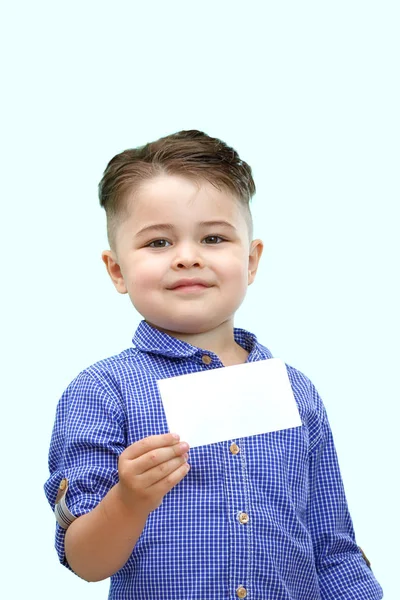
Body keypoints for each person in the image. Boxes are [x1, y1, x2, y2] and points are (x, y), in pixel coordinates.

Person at [44, 130, 383, 600]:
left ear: (250, 260)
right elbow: (86, 562)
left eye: (213, 237)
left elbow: (333, 547)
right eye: (159, 242)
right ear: (117, 270)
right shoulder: (102, 391)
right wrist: (129, 499)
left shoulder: (295, 390)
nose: (187, 257)